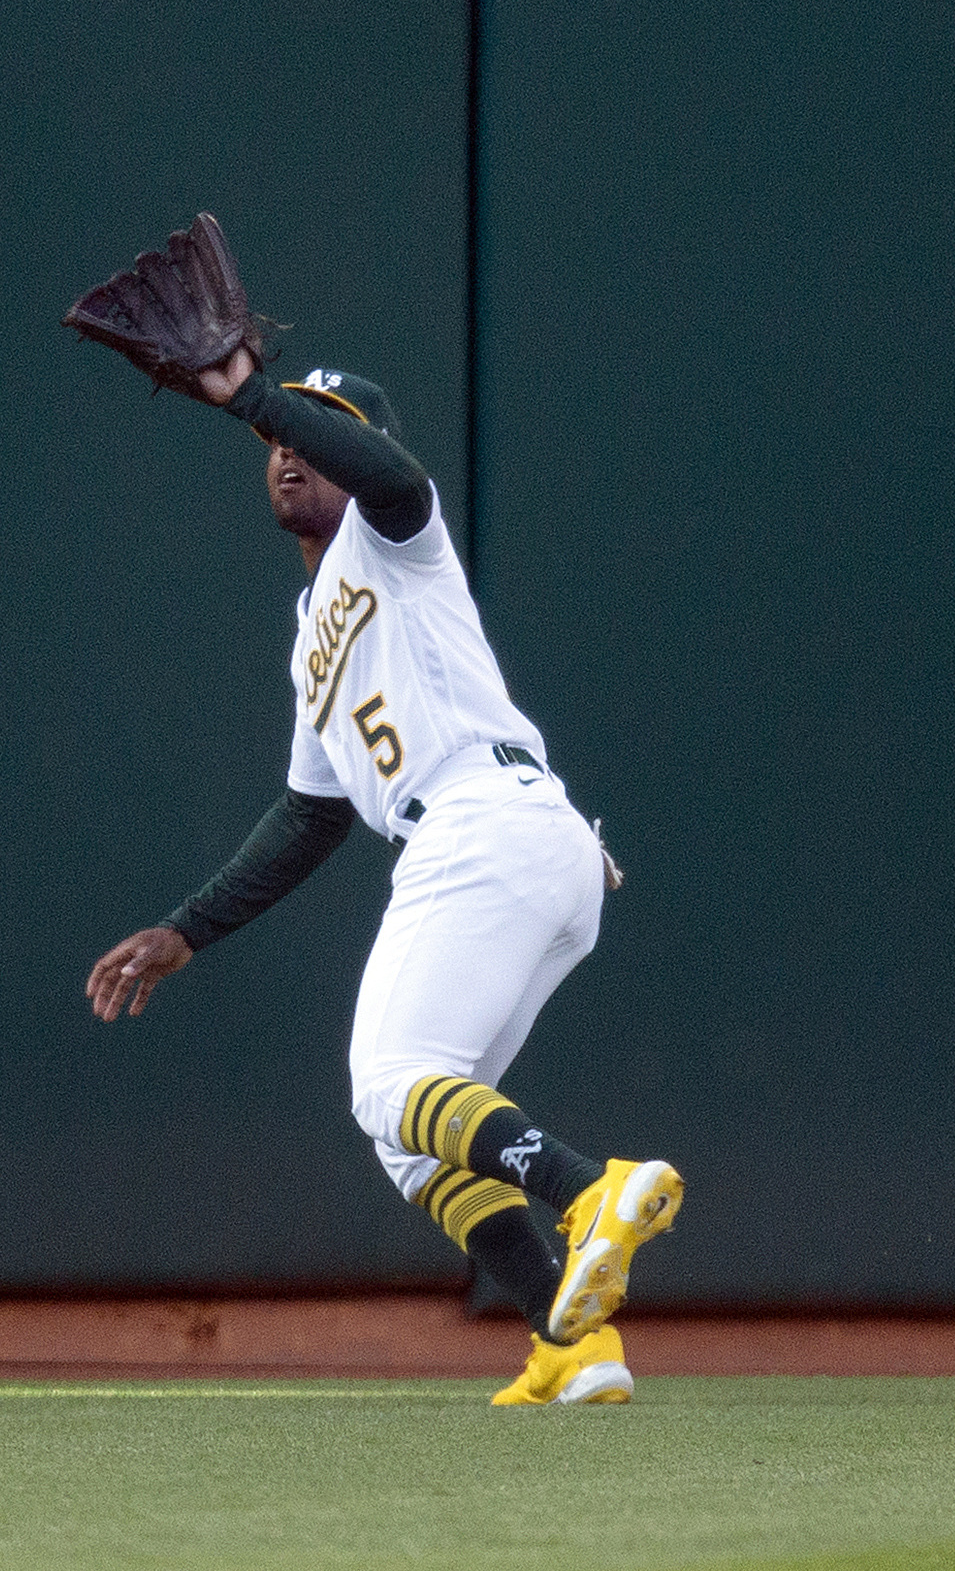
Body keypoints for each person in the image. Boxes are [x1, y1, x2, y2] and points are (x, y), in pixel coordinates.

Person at [86, 349, 682, 1405]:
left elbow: (395, 479)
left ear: (352, 445)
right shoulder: (309, 630)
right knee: (405, 1135)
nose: (285, 454)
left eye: (311, 434)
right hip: (515, 842)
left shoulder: (392, 531)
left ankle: (589, 1187)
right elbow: (312, 813)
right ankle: (570, 1340)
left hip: (482, 818)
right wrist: (190, 926)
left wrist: (256, 396)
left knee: (385, 1079)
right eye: (274, 442)